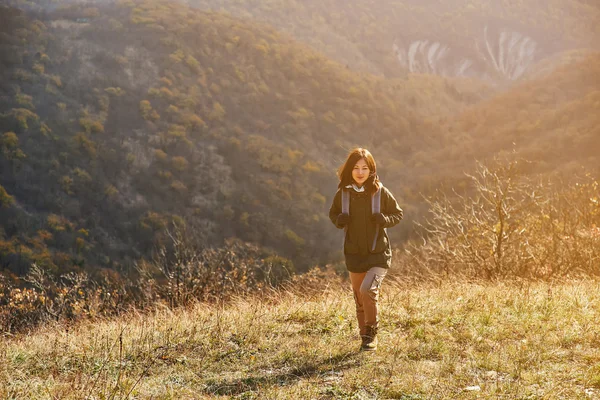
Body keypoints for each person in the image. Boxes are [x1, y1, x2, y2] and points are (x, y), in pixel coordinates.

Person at [329, 148, 403, 351]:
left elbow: (397, 214)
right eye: (356, 168)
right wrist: (339, 220)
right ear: (349, 170)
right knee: (359, 298)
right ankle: (365, 339)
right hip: (354, 254)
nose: (360, 172)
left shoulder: (380, 192)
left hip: (378, 253)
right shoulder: (343, 194)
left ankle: (372, 332)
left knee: (368, 290)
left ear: (371, 170)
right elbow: (333, 215)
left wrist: (384, 220)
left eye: (365, 168)